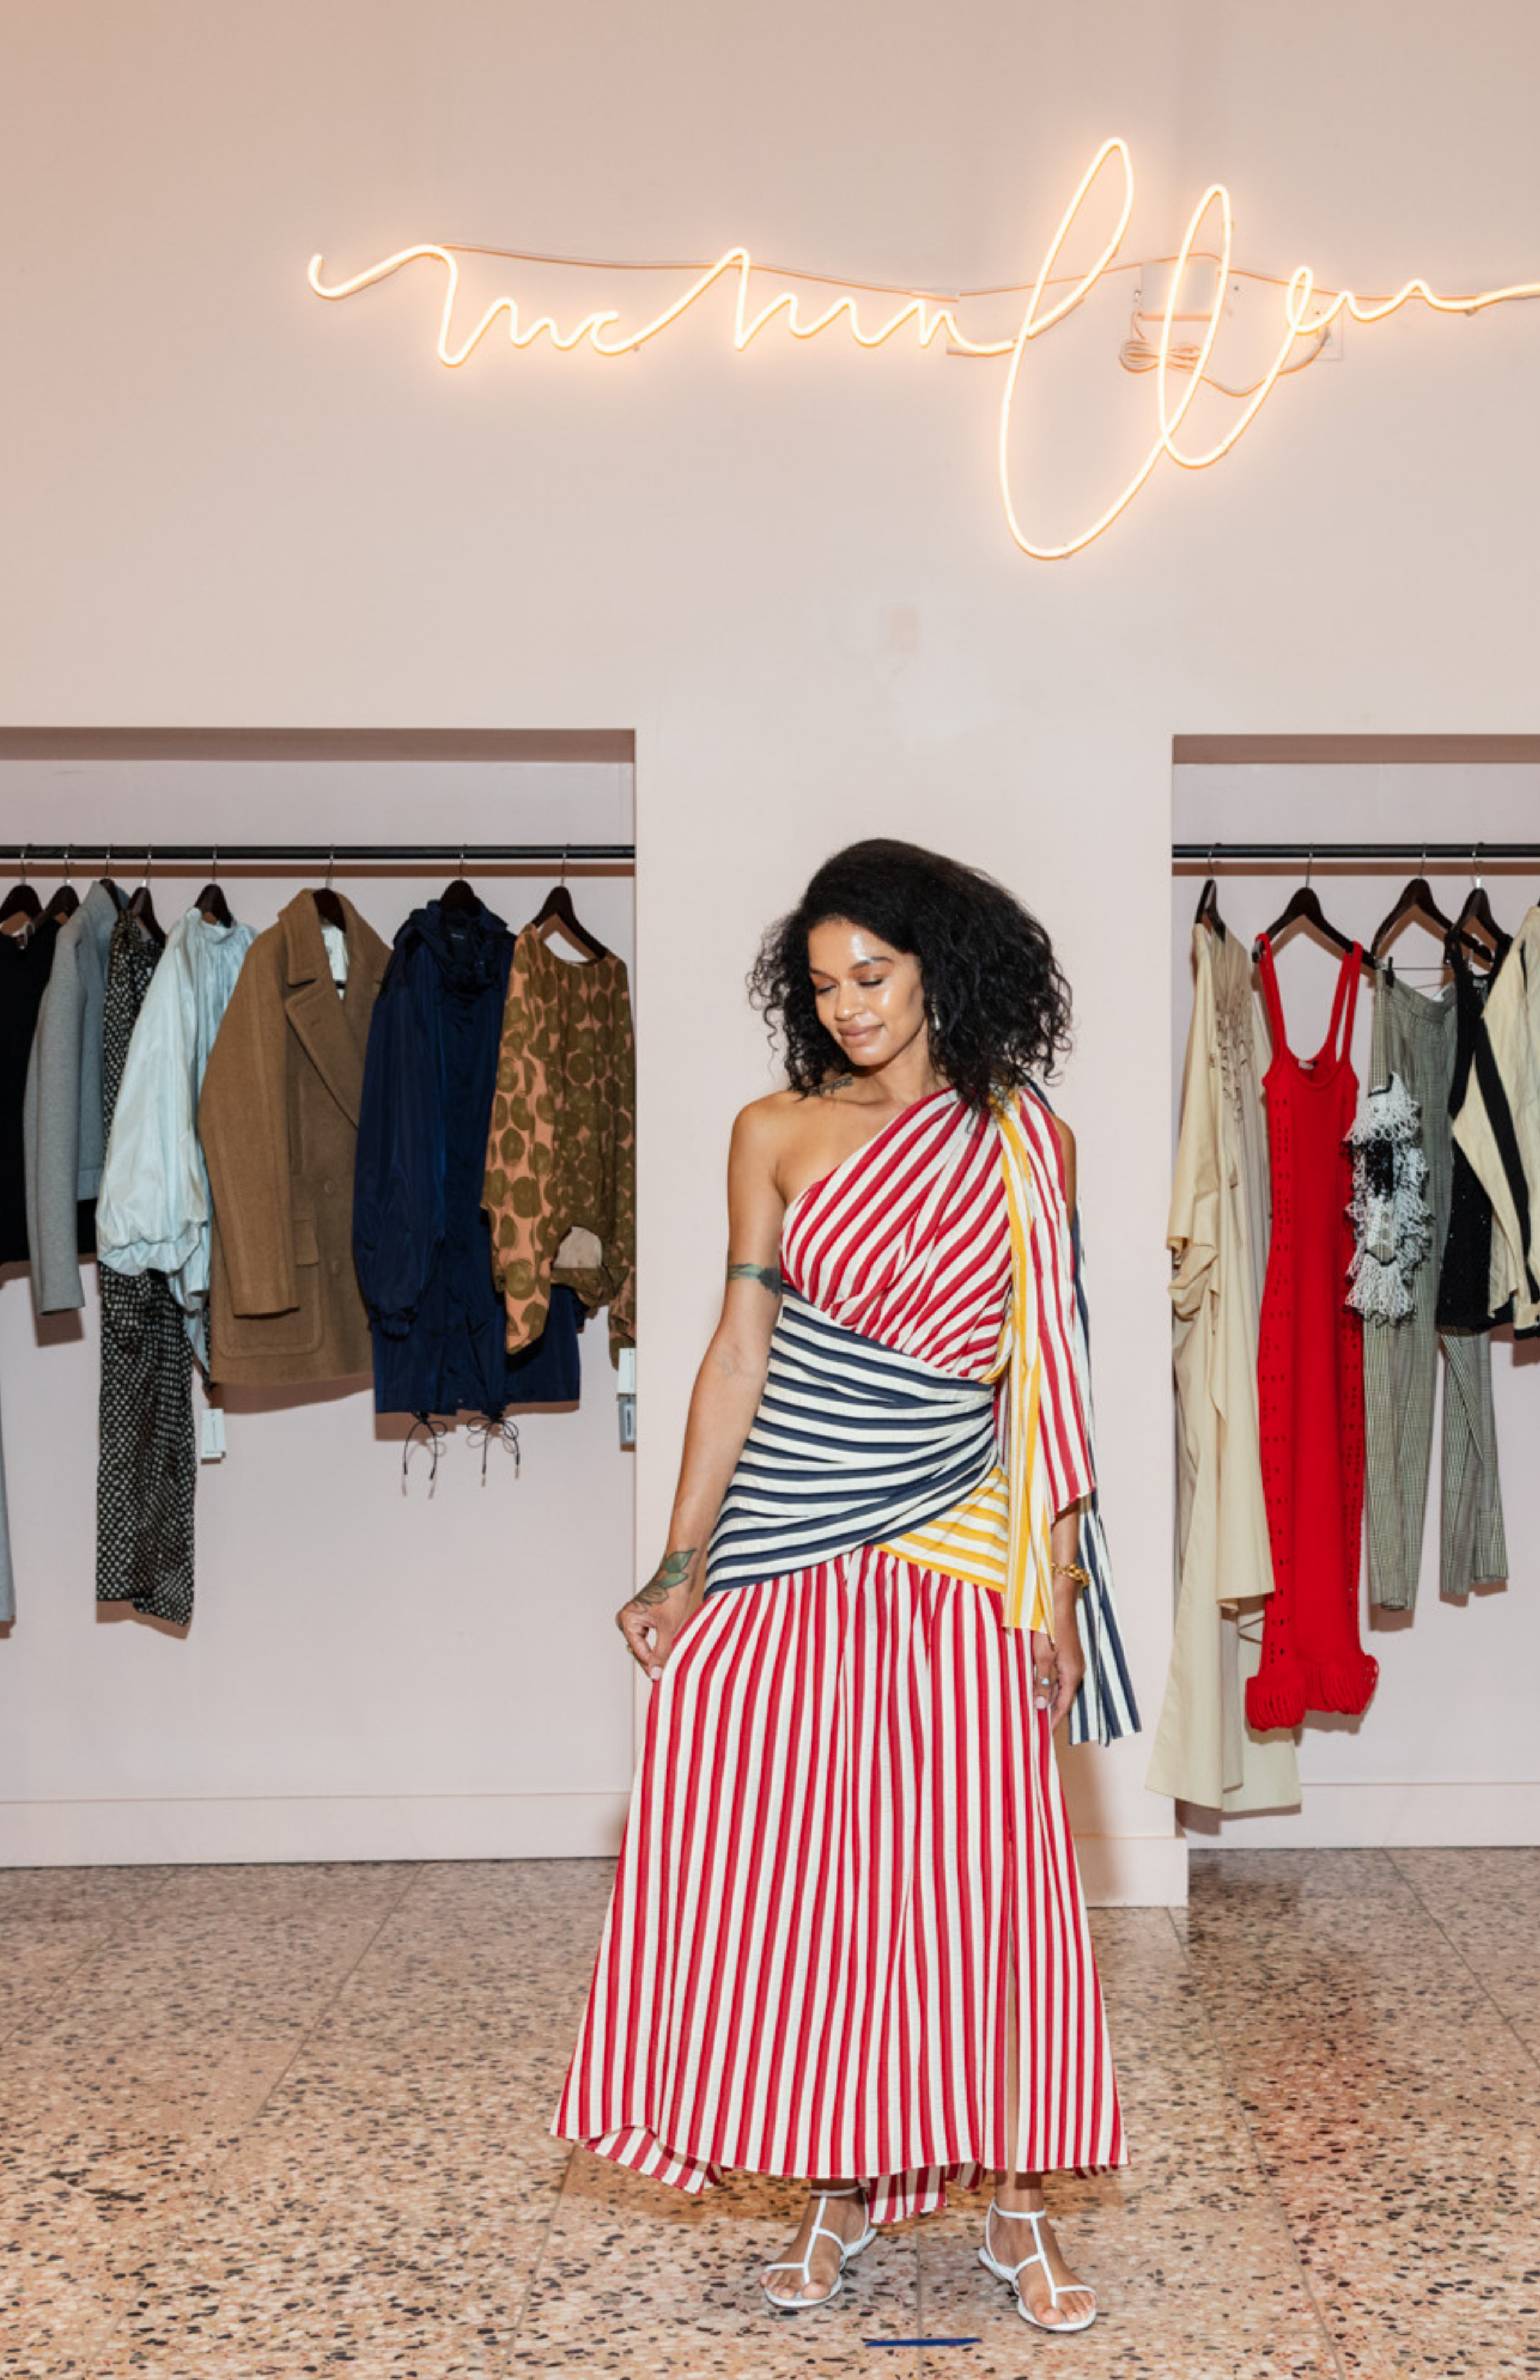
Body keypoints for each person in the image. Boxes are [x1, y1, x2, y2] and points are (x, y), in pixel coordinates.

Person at [554, 838, 1127, 2331]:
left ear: (942, 962)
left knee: (982, 1884)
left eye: (874, 972)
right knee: (806, 1883)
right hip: (792, 1539)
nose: (852, 1004)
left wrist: (1053, 1587)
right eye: (823, 983)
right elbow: (738, 1353)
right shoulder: (774, 1132)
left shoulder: (1026, 1142)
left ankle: (1016, 2207)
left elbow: (1040, 1373)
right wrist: (680, 1560)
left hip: (959, 1549)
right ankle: (832, 2190)